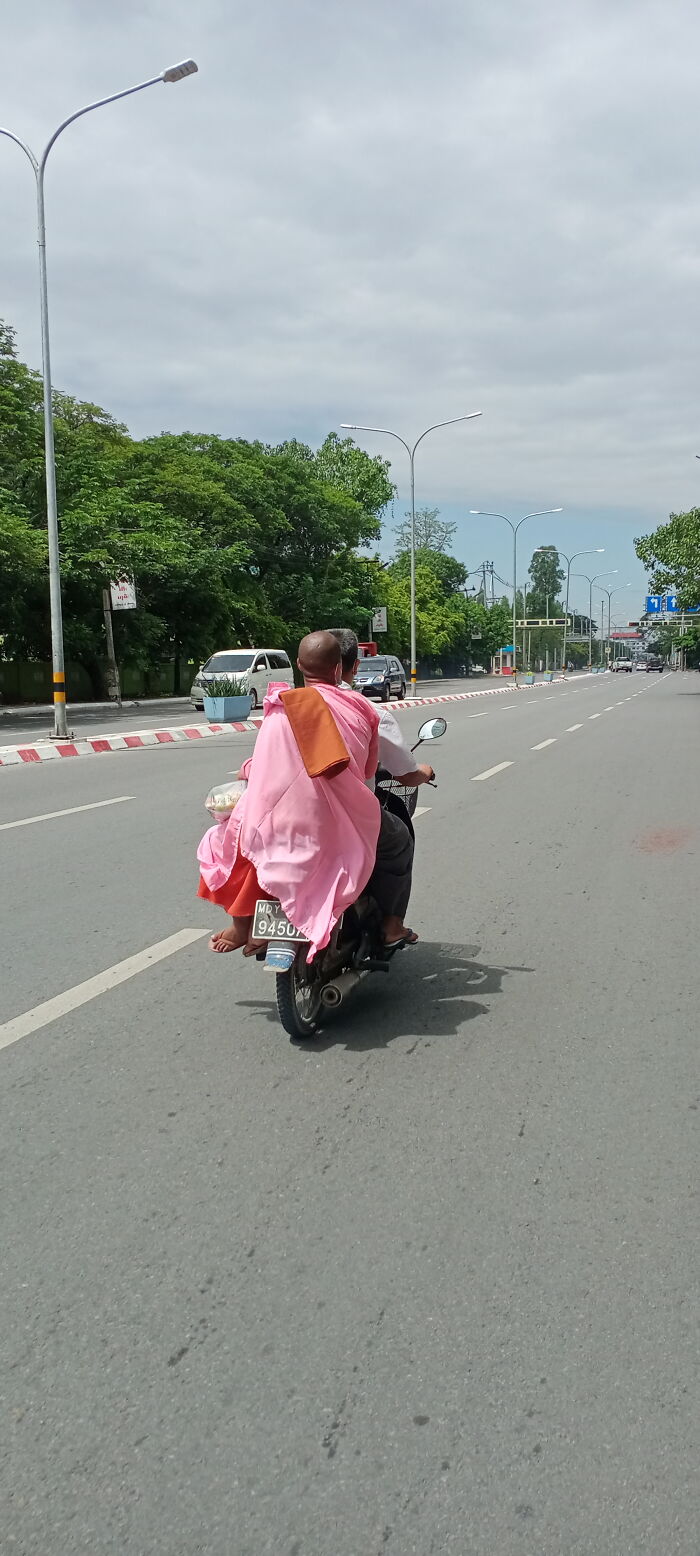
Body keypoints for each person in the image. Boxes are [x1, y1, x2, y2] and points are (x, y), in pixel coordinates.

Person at [198, 631, 381, 959]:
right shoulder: (361, 708)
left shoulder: (283, 706)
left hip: (283, 818)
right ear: (339, 669)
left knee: (237, 834)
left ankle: (243, 925)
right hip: (339, 821)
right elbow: (368, 770)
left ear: (298, 666)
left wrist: (247, 770)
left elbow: (263, 764)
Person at [329, 628, 435, 946]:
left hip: (288, 813)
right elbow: (404, 773)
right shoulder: (368, 710)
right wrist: (424, 772)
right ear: (351, 667)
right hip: (349, 815)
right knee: (399, 842)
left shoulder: (283, 708)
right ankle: (392, 925)